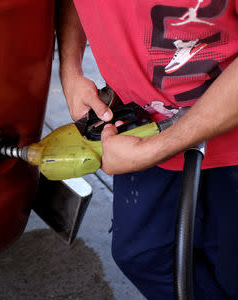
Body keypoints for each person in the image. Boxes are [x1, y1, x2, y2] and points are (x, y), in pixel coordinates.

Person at [56, 0, 238, 298]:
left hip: (229, 148)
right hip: (138, 129)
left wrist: (156, 149)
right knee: (143, 255)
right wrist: (70, 68)